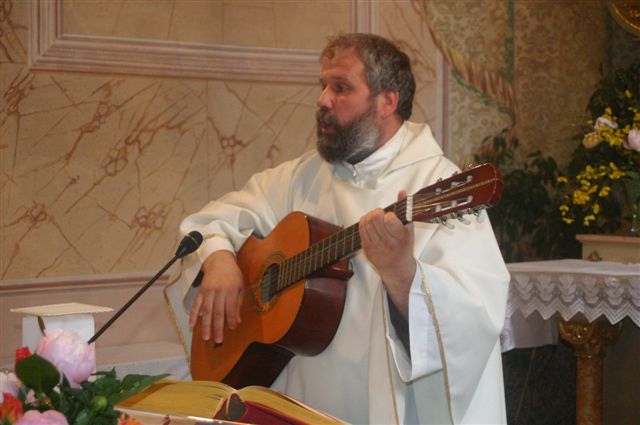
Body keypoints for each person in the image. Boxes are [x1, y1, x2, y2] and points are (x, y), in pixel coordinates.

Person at [178, 33, 510, 424]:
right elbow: (215, 219)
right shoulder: (303, 175)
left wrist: (402, 274)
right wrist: (219, 259)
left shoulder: (437, 186)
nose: (322, 100)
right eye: (323, 86)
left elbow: (472, 322)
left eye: (340, 87)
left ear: (387, 102)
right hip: (291, 406)